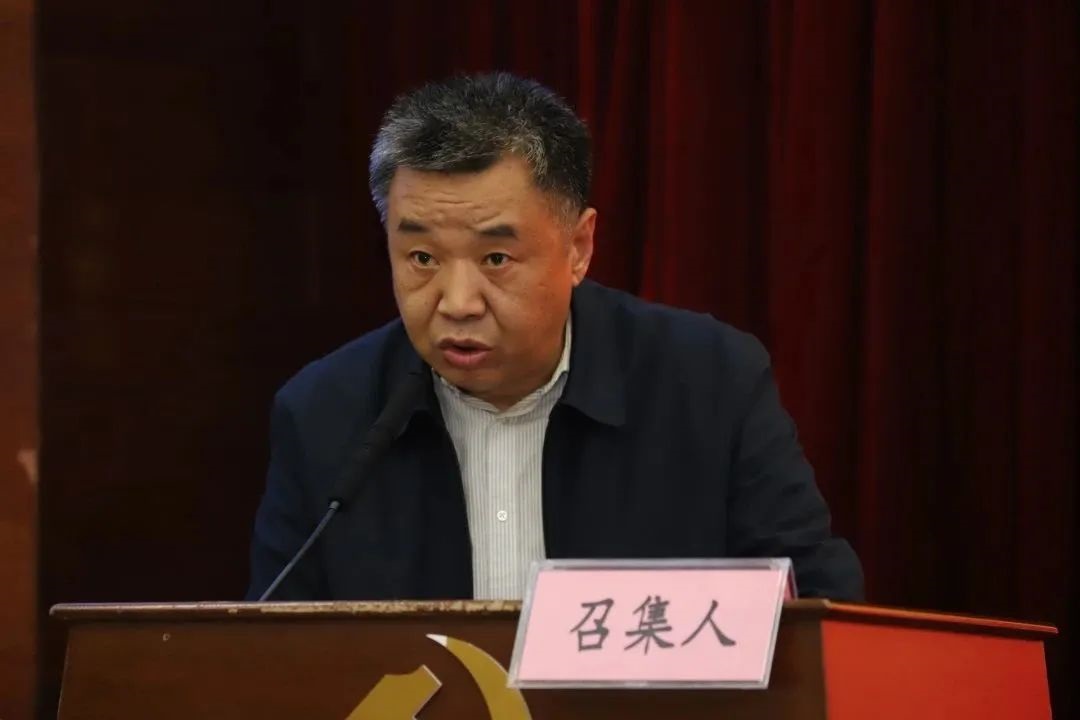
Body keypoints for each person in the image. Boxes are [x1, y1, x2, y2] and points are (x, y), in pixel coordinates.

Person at [247, 72, 863, 602]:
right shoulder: (322, 415)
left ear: (579, 248)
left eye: (495, 259)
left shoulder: (709, 384)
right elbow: (274, 656)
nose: (456, 304)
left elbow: (818, 609)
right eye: (422, 259)